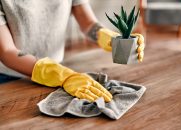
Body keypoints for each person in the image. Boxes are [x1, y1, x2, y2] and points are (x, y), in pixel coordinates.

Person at [0, 0, 145, 102]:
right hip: (11, 78)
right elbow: (7, 51)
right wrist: (63, 76)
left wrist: (106, 36)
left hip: (58, 74)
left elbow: (88, 23)